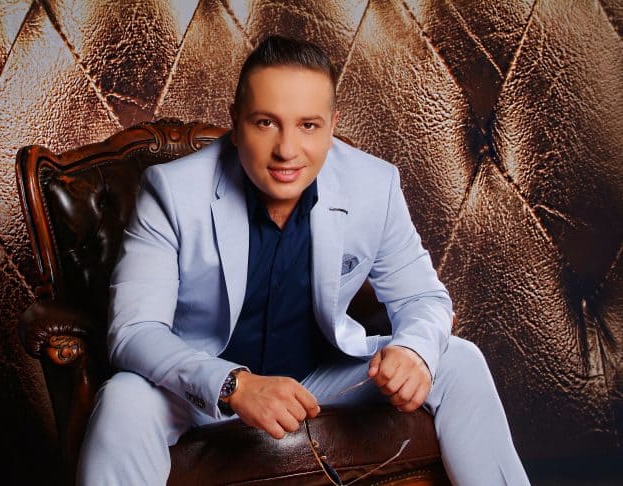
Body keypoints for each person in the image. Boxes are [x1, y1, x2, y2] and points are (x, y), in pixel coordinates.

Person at [77, 35, 529, 485]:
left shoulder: (374, 185)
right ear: (236, 122)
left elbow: (424, 298)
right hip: (199, 393)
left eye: (308, 125)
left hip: (322, 383)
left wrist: (412, 351)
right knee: (123, 400)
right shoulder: (172, 191)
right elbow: (134, 331)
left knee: (458, 360)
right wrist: (233, 384)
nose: (287, 150)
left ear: (332, 126)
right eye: (266, 123)